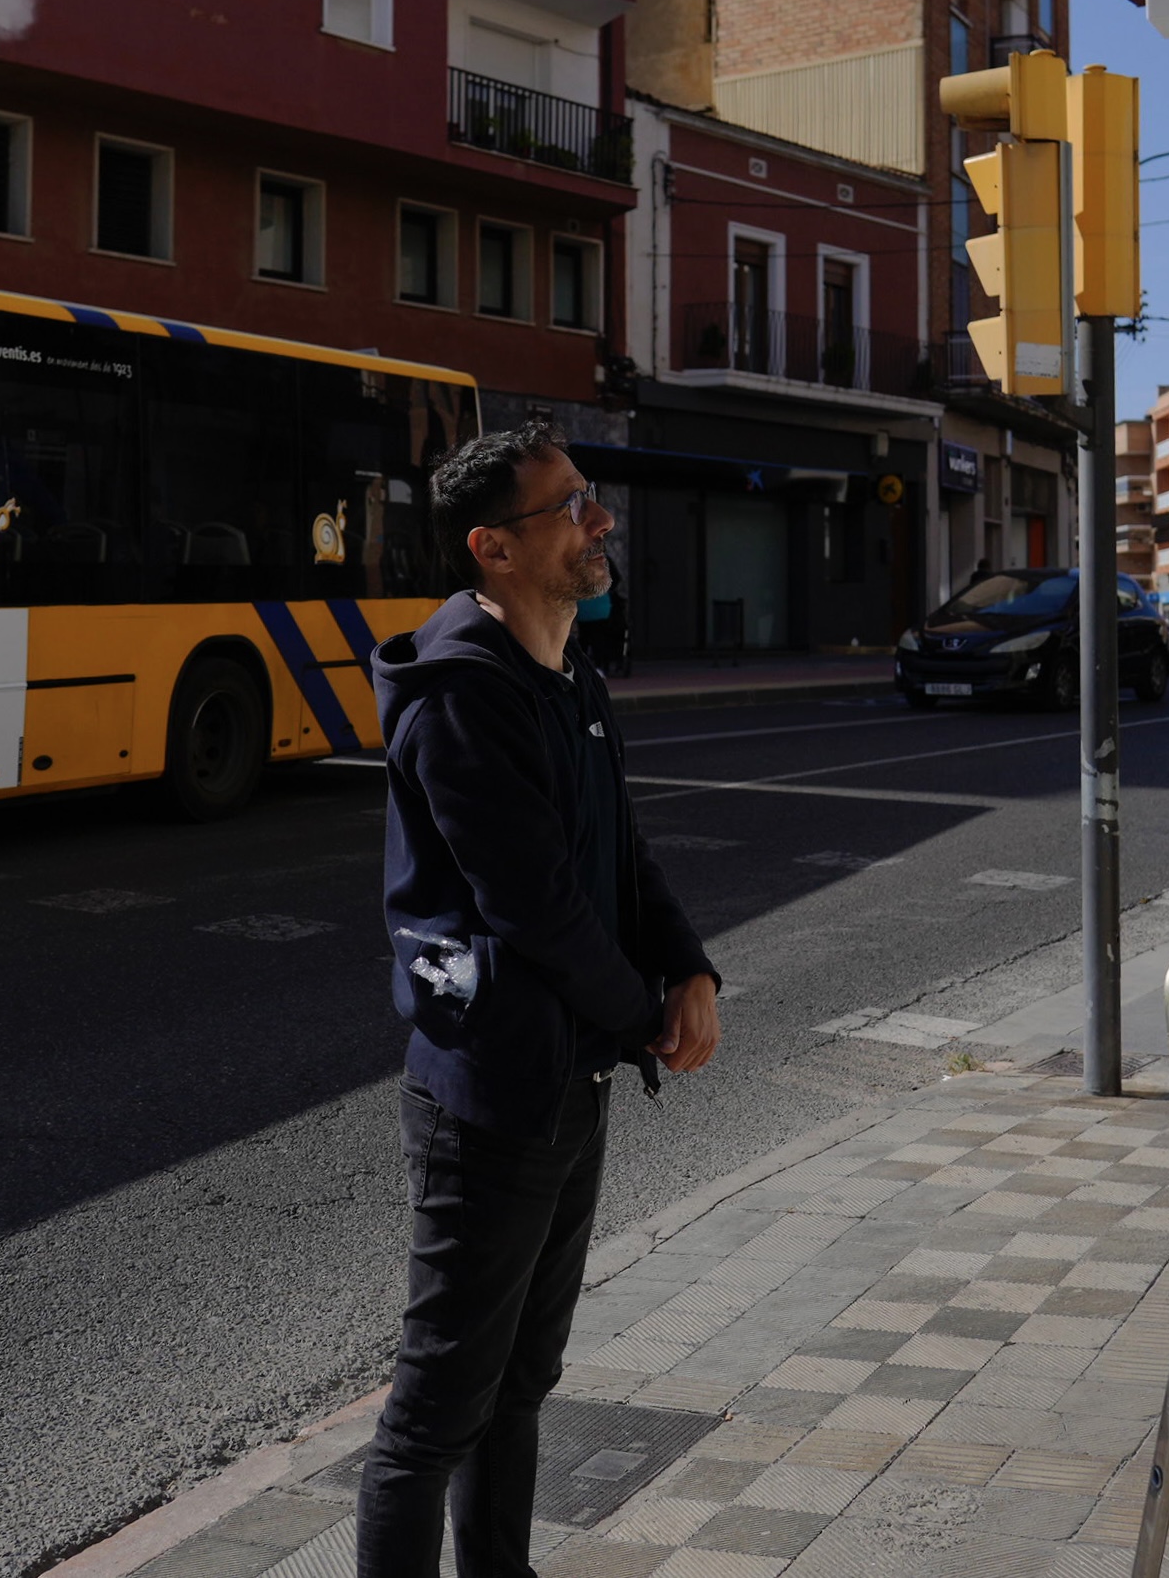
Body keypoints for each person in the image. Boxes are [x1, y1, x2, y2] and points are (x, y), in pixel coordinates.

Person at [356, 421, 722, 1577]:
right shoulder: (460, 698)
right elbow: (535, 907)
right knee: (434, 1415)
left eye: (588, 495)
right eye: (567, 506)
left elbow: (619, 854)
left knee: (518, 1385)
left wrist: (689, 966)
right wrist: (644, 1018)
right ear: (493, 547)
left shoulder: (570, 674)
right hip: (491, 1096)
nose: (596, 518)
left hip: (570, 1075)